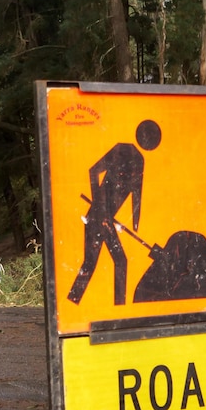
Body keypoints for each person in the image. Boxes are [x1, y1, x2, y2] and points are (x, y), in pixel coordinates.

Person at [68, 119, 162, 306]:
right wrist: (100, 205)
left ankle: (74, 300)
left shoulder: (140, 161)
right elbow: (93, 171)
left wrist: (135, 223)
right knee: (115, 261)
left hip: (106, 219)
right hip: (97, 217)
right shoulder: (121, 149)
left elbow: (137, 194)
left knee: (93, 263)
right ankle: (115, 306)